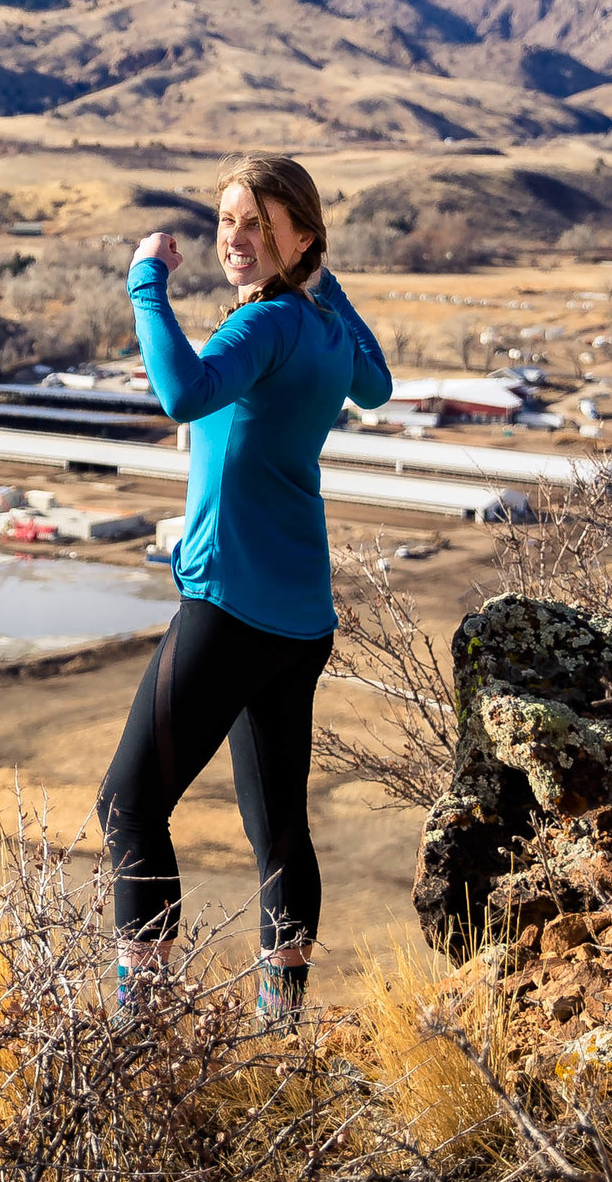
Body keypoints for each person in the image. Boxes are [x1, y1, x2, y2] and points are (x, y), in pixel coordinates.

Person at [94, 153, 392, 1023]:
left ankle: (140, 1027)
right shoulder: (324, 326)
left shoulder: (263, 329)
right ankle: (278, 1026)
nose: (237, 237)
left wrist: (146, 282)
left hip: (228, 605)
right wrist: (323, 283)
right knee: (278, 836)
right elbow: (376, 386)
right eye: (229, 219)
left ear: (301, 235)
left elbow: (183, 392)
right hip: (298, 619)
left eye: (259, 223)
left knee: (128, 805)